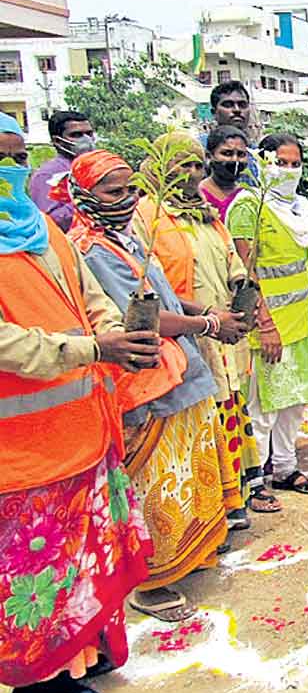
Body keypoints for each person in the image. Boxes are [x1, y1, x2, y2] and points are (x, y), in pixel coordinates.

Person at [0, 120, 154, 693]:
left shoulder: (39, 229)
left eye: (17, 157)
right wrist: (93, 351)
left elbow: (89, 296)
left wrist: (109, 331)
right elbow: (9, 345)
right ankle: (38, 679)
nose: (10, 170)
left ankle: (85, 652)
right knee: (37, 571)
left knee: (87, 556)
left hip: (86, 428)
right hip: (23, 452)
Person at [64, 148, 243, 622]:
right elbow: (136, 316)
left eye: (129, 190)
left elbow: (161, 294)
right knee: (155, 481)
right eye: (112, 191)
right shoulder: (89, 249)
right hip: (144, 379)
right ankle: (152, 580)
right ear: (83, 194)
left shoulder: (124, 238)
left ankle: (190, 553)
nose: (124, 199)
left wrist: (202, 313)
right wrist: (206, 324)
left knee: (185, 468)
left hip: (177, 368)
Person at [133, 133, 270, 529]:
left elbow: (230, 259)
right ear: (160, 168)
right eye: (181, 165)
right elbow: (151, 283)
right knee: (197, 417)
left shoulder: (207, 214)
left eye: (196, 165)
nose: (191, 174)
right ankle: (205, 510)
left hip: (223, 331)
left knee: (228, 407)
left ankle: (233, 497)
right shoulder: (148, 216)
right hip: (185, 334)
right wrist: (207, 317)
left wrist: (243, 288)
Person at [228, 133, 308, 496]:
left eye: (294, 164)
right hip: (268, 324)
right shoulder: (249, 206)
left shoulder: (303, 209)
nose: (288, 171)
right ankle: (254, 481)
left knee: (295, 401)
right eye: (280, 163)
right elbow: (246, 271)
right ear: (263, 162)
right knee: (262, 407)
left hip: (303, 320)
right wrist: (265, 324)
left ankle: (286, 467)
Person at [30, 110, 96, 230]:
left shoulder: (96, 166)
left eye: (89, 133)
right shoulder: (48, 174)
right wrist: (88, 201)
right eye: (76, 135)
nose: (87, 139)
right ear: (57, 141)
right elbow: (50, 221)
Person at [199, 124, 250, 221]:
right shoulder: (199, 195)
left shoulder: (248, 196)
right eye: (227, 153)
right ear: (209, 157)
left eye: (241, 154)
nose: (235, 160)